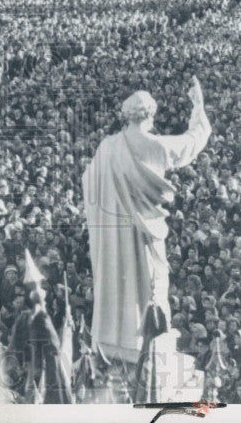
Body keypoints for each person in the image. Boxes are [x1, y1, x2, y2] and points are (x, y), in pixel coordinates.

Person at [82, 78, 211, 363]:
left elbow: (88, 182)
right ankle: (142, 338)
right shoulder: (155, 146)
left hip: (113, 236)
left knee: (119, 280)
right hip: (144, 233)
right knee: (148, 283)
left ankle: (114, 338)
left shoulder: (107, 147)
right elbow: (192, 142)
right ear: (150, 114)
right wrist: (198, 108)